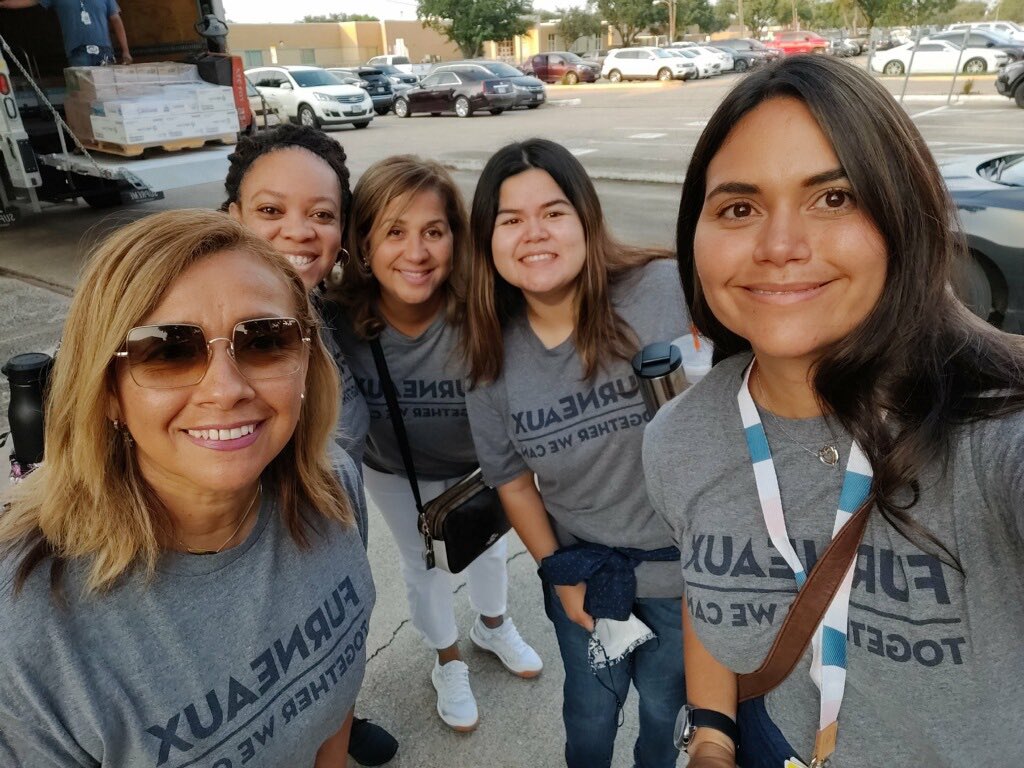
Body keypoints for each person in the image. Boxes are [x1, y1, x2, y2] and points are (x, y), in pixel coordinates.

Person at [643, 55, 1024, 768]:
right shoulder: (678, 439)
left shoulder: (996, 437)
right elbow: (711, 585)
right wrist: (712, 738)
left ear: (903, 214)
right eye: (738, 207)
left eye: (835, 198)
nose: (781, 246)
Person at [0, 209, 372, 766]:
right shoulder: (28, 630)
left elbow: (333, 710)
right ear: (105, 391)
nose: (225, 390)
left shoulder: (332, 486)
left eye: (265, 339)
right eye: (168, 350)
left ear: (306, 362)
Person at [464, 138, 689, 768]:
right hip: (584, 577)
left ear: (586, 219)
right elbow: (511, 481)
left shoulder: (665, 291)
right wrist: (557, 575)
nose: (533, 233)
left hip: (683, 579)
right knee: (589, 718)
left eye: (553, 211)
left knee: (664, 716)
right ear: (488, 240)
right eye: (510, 220)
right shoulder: (489, 361)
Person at [328, 155, 542, 733]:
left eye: (433, 231)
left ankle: (492, 625)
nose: (416, 253)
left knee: (492, 548)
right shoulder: (335, 319)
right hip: (396, 471)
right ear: (363, 246)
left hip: (480, 466)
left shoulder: (485, 306)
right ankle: (446, 659)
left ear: (457, 239)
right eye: (394, 232)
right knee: (424, 564)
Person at [222, 123, 397, 766]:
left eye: (320, 214)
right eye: (270, 210)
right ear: (230, 216)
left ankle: (339, 717)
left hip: (339, 529)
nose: (299, 231)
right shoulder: (200, 340)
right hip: (255, 561)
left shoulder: (331, 314)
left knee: (340, 645)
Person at [0, 0, 131, 66]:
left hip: (105, 52)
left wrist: (125, 51)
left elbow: (116, 20)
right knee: (85, 96)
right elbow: (27, 1)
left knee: (106, 94)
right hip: (78, 53)